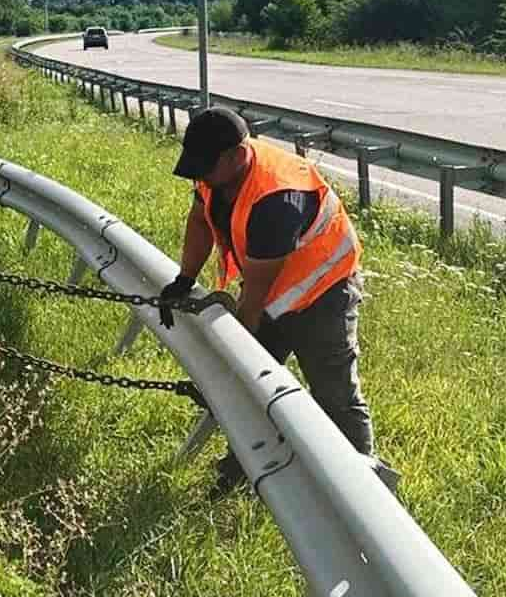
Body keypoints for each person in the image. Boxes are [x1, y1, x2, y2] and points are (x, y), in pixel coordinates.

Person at [160, 107, 394, 497]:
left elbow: (256, 294)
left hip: (321, 296)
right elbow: (200, 220)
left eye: (205, 168)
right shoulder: (216, 174)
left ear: (237, 155)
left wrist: (240, 340)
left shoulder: (277, 196)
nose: (200, 176)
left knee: (334, 395)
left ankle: (365, 494)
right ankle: (239, 472)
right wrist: (184, 279)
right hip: (270, 288)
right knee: (246, 386)